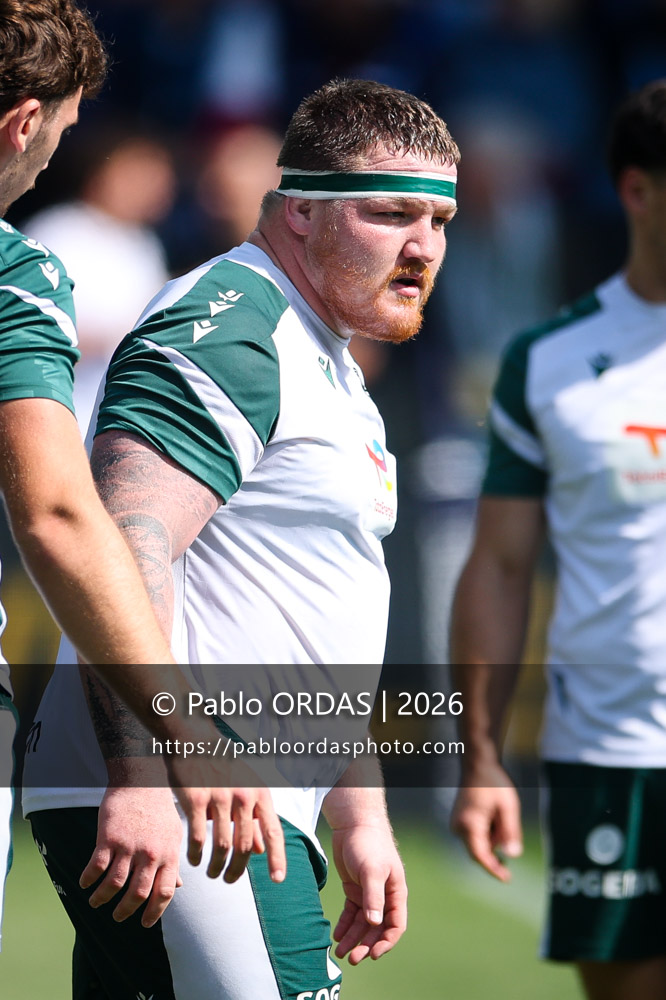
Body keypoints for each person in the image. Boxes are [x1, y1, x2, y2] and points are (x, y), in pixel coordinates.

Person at [23, 77, 460, 999]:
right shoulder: (232, 329)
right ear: (298, 212)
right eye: (390, 213)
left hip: (243, 796)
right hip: (189, 798)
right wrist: (140, 775)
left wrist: (358, 815)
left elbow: (322, 614)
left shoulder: (328, 361)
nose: (423, 245)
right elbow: (127, 541)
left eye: (440, 219)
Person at [0, 0, 285, 946]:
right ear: (22, 124)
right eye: (63, 133)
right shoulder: (15, 274)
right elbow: (61, 517)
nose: (53, 161)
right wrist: (180, 735)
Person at [450, 79, 666, 1000]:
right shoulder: (550, 361)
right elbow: (499, 565)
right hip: (613, 753)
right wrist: (484, 753)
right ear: (635, 190)